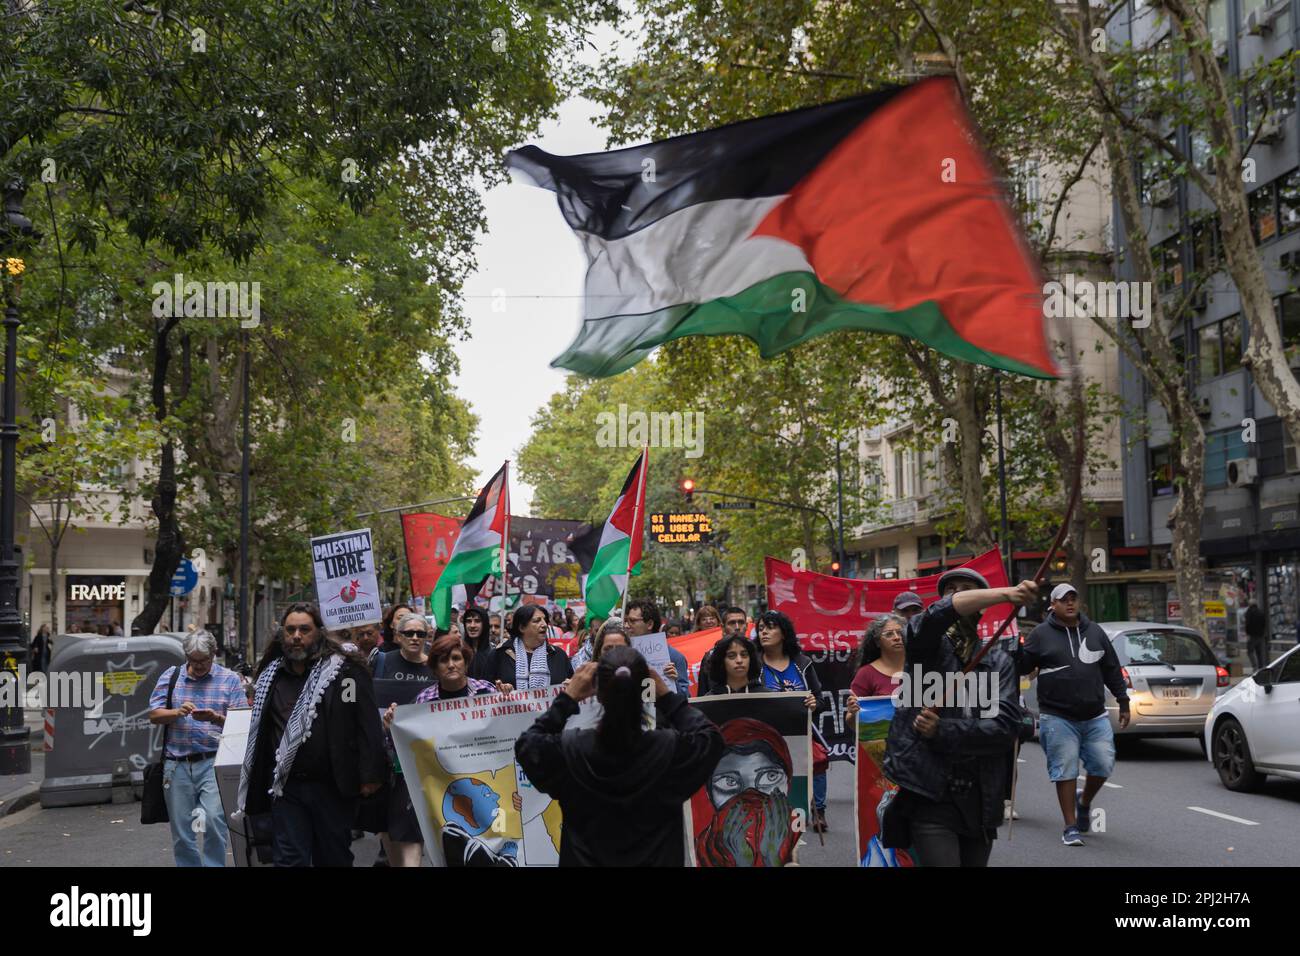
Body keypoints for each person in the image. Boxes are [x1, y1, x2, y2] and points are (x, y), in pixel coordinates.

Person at [881, 568, 1035, 867]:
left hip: (980, 798)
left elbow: (1003, 727)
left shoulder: (999, 662)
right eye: (951, 590)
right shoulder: (924, 646)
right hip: (930, 793)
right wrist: (1006, 593)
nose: (958, 595)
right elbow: (933, 618)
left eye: (966, 590)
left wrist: (943, 730)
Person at [514, 647, 724, 865]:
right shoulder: (668, 749)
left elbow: (528, 747)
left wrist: (567, 699)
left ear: (599, 691)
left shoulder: (573, 749)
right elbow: (711, 739)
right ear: (645, 687)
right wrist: (666, 696)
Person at [235, 603, 386, 867]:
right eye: (290, 629)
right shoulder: (272, 676)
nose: (296, 636)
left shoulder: (345, 672)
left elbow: (366, 723)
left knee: (333, 858)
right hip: (286, 787)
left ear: (319, 632)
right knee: (289, 860)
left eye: (304, 629)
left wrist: (370, 775)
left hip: (333, 787)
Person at [1017, 583, 1130, 847]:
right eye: (1063, 600)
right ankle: (1069, 827)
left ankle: (1084, 801)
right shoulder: (1040, 634)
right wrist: (1015, 650)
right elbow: (1022, 667)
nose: (1070, 603)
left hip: (1094, 715)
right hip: (1057, 716)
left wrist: (1123, 701)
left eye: (1073, 598)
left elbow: (1112, 668)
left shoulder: (1095, 632)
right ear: (1052, 605)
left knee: (1103, 764)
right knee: (1065, 769)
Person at [380, 635, 503, 866]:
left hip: (483, 785)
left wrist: (509, 700)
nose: (451, 665)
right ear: (435, 668)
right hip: (443, 790)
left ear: (466, 662)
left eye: (457, 658)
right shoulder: (423, 701)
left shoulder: (489, 693)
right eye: (444, 660)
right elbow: (405, 751)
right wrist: (391, 729)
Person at [147, 630, 248, 867]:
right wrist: (176, 712)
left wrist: (216, 718)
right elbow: (154, 714)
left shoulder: (229, 679)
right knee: (182, 829)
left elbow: (243, 722)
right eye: (193, 660)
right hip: (177, 764)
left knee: (214, 820)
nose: (199, 665)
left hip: (213, 762)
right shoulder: (172, 677)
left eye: (204, 660)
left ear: (214, 654)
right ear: (186, 656)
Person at [754, 609, 827, 829]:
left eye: (770, 627)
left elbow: (820, 700)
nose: (764, 632)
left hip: (802, 733)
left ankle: (819, 812)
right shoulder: (754, 665)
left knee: (817, 764)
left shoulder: (801, 663)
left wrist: (814, 704)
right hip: (768, 736)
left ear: (783, 633)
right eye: (760, 629)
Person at [493, 604, 573, 690]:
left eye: (545, 620)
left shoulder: (558, 654)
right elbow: (485, 690)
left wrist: (572, 686)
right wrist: (500, 689)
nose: (544, 625)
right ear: (522, 627)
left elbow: (573, 684)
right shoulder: (500, 654)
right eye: (537, 621)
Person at [626, 599, 690, 695]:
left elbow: (685, 697)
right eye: (626, 621)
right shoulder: (623, 655)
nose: (627, 625)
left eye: (632, 621)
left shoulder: (674, 657)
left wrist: (674, 682)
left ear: (650, 624)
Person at [851, 614, 907, 698]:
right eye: (889, 634)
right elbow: (853, 709)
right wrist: (852, 710)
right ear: (877, 641)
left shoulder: (920, 666)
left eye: (900, 633)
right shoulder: (866, 674)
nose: (896, 638)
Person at [372, 614, 436, 687]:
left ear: (426, 637)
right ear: (399, 636)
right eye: (409, 633)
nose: (415, 638)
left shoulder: (434, 666)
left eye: (420, 634)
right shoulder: (381, 661)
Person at [459, 607, 497, 680]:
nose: (472, 625)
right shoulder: (459, 651)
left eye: (477, 621)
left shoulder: (494, 652)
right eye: (469, 621)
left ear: (485, 624)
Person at [1244, 600, 1269, 673]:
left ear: (1250, 604)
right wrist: (1263, 633)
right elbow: (1264, 623)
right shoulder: (1261, 612)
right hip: (1260, 635)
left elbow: (1247, 624)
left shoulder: (1249, 612)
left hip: (1252, 635)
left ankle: (1255, 667)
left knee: (1250, 651)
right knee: (1259, 652)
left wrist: (1248, 633)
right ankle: (1261, 667)